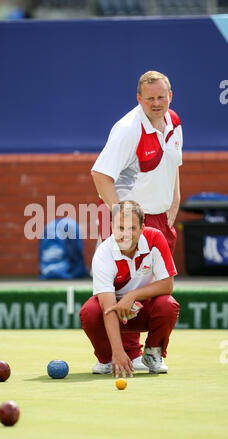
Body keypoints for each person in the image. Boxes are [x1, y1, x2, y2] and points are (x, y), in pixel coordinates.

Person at [91, 70, 182, 369]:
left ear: (170, 96)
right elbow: (100, 174)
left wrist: (175, 201)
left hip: (161, 217)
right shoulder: (128, 129)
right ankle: (128, 353)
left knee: (157, 289)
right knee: (123, 288)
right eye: (150, 98)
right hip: (134, 220)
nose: (156, 103)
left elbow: (174, 165)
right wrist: (121, 216)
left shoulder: (174, 122)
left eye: (161, 97)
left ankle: (153, 353)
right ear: (139, 99)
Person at [80, 200, 179, 377]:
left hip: (142, 309)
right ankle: (107, 358)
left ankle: (152, 352)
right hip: (115, 312)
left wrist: (132, 296)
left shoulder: (155, 238)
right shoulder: (103, 253)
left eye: (132, 228)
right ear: (111, 227)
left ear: (142, 227)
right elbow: (108, 308)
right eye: (120, 228)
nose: (125, 234)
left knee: (168, 305)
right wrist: (117, 351)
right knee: (89, 311)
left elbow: (167, 284)